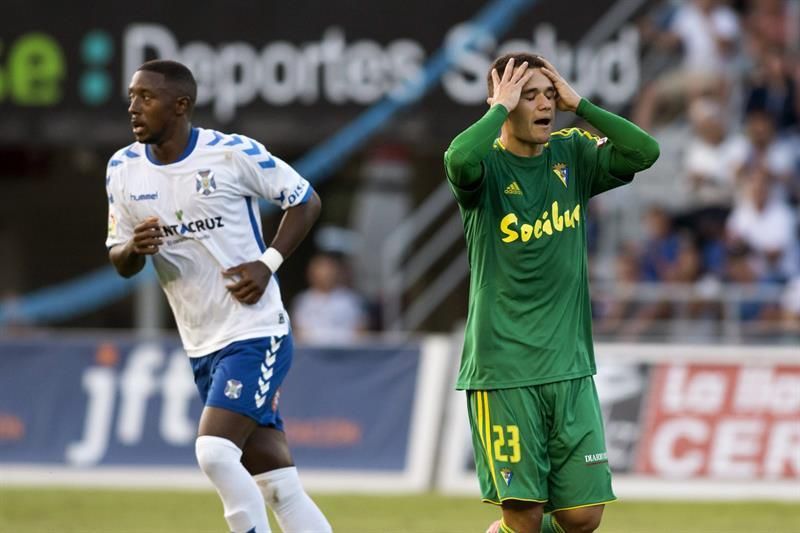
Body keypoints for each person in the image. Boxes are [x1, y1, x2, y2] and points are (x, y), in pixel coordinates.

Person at [105, 59, 331, 533]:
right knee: (277, 484)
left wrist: (267, 264)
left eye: (146, 97)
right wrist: (133, 248)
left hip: (255, 330)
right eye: (132, 96)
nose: (133, 107)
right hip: (200, 342)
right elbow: (119, 260)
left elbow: (305, 199)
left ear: (180, 105)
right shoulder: (123, 170)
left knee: (213, 452)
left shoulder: (231, 154)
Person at [443, 53, 660, 533]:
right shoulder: (485, 171)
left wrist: (580, 102)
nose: (544, 105)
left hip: (569, 365)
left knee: (582, 518)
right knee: (524, 518)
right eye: (528, 95)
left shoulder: (572, 155)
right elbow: (458, 158)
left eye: (548, 94)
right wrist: (497, 110)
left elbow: (644, 151)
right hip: (504, 369)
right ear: (501, 103)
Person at [291, 252, 368, 344]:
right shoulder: (302, 300)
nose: (326, 273)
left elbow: (361, 330)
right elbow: (297, 331)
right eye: (320, 268)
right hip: (312, 354)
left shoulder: (351, 300)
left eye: (329, 268)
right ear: (311, 273)